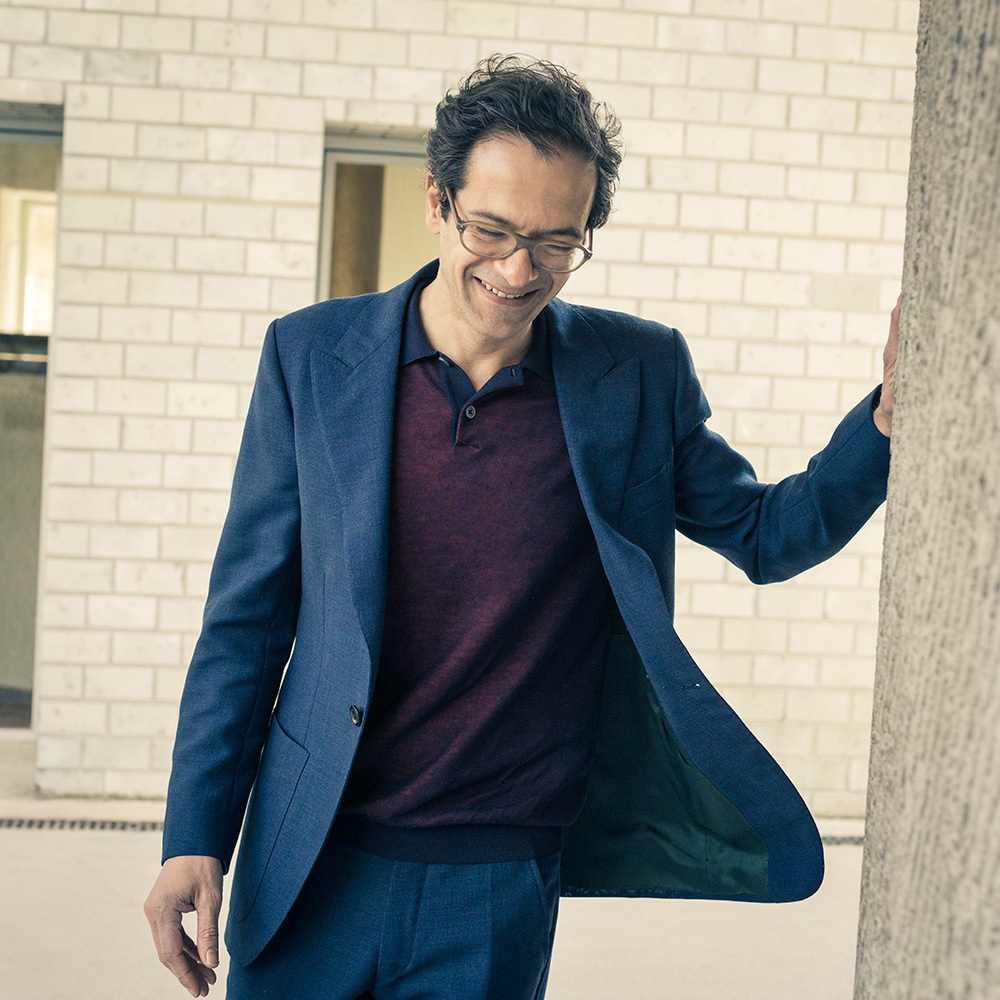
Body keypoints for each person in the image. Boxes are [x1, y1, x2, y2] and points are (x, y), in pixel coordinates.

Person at [145, 55, 897, 1000]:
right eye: (491, 230)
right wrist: (194, 835)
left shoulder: (636, 374)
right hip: (310, 856)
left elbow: (764, 532)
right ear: (437, 202)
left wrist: (885, 420)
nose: (516, 270)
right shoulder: (310, 356)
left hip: (494, 882)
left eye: (554, 242)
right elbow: (248, 622)